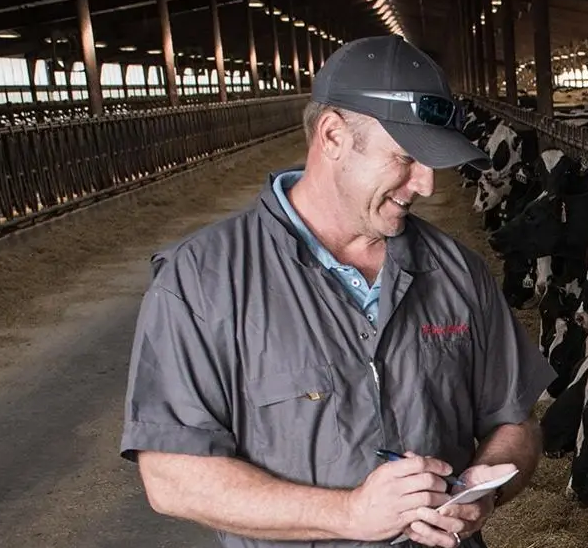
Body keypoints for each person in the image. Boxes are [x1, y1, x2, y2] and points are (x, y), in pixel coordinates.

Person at [119, 35, 555, 548]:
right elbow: (172, 477)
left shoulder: (459, 273)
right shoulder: (202, 281)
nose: (427, 185)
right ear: (332, 136)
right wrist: (347, 514)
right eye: (406, 159)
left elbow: (514, 422)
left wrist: (486, 487)